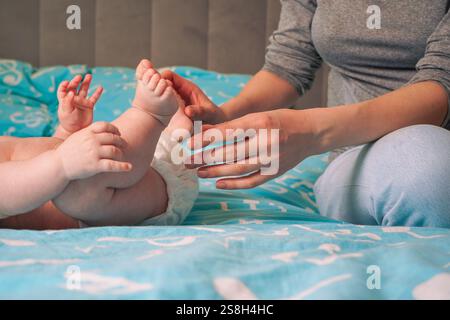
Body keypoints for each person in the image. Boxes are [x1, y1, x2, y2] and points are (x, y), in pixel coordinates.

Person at [161, 1, 450, 228]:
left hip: (435, 147)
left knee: (425, 157)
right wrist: (223, 116)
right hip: (353, 159)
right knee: (424, 168)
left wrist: (313, 131)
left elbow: (442, 83)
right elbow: (288, 64)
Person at [0, 60, 198, 230]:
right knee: (74, 187)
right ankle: (151, 114)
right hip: (130, 201)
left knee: (82, 167)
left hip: (139, 166)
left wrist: (69, 132)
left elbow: (36, 159)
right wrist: (62, 161)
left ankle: (173, 132)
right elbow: (16, 186)